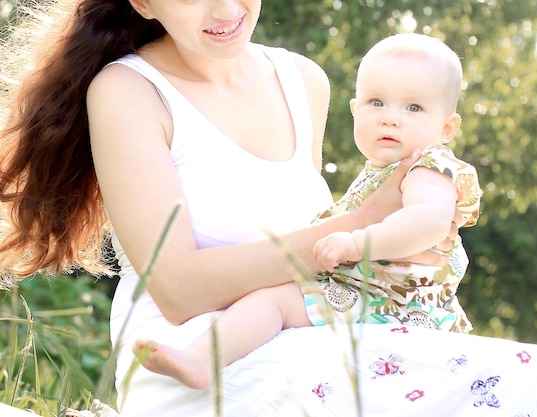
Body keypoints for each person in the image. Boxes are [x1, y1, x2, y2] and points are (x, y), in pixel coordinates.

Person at [0, 0, 537, 416]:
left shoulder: (303, 80)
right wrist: (362, 226)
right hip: (199, 347)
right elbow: (179, 288)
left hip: (314, 322)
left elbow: (323, 240)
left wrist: (398, 256)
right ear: (143, 2)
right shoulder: (128, 90)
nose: (225, 8)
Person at [132, 33, 481, 390]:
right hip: (366, 294)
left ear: (447, 127)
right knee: (273, 302)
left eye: (413, 108)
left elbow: (428, 221)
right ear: (354, 109)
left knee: (274, 302)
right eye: (377, 103)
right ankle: (200, 359)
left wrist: (357, 242)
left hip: (399, 304)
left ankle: (203, 359)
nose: (390, 119)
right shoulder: (381, 172)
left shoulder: (429, 166)